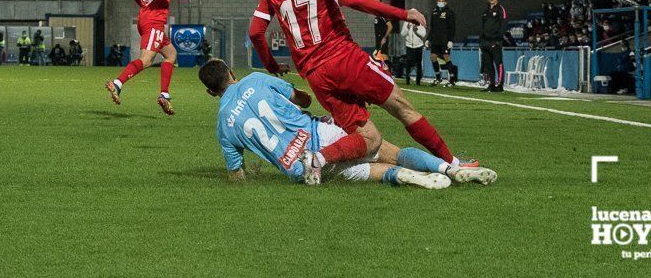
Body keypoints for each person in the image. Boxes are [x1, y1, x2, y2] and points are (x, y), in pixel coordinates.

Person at [249, 0, 477, 185]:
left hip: (315, 75)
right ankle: (454, 165)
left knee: (369, 139)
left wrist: (270, 64)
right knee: (403, 108)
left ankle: (317, 159)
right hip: (344, 59)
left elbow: (256, 32)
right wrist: (402, 13)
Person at [199, 59, 496, 187]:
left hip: (299, 171)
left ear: (211, 92)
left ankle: (411, 178)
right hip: (320, 137)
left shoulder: (223, 127)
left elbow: (236, 176)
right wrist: (295, 95)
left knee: (371, 172)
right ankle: (449, 168)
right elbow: (303, 101)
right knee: (378, 145)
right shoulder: (255, 79)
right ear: (231, 72)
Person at [105, 0, 193, 115]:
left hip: (148, 20)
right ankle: (117, 83)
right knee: (146, 60)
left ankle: (164, 94)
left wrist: (144, 5)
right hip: (153, 22)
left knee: (171, 54)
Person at [426, 0, 458, 87]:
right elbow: (432, 28)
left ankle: (452, 80)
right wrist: (428, 39)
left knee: (446, 58)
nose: (440, 2)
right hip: (435, 40)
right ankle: (438, 78)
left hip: (445, 40)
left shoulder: (449, 13)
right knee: (433, 57)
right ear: (437, 2)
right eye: (439, 1)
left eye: (442, 1)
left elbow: (452, 28)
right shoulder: (434, 12)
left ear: (445, 2)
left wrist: (450, 40)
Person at [480, 0, 507, 92]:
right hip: (485, 42)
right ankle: (491, 84)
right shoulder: (485, 11)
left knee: (498, 63)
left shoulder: (500, 9)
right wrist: (481, 40)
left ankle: (499, 85)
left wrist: (497, 40)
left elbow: (503, 26)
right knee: (488, 64)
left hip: (495, 42)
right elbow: (482, 27)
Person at [400, 20, 425, 85]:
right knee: (409, 63)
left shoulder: (420, 22)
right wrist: (407, 28)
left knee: (418, 63)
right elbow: (402, 34)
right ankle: (407, 80)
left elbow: (423, 34)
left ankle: (418, 81)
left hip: (419, 46)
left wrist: (416, 31)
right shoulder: (406, 22)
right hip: (409, 46)